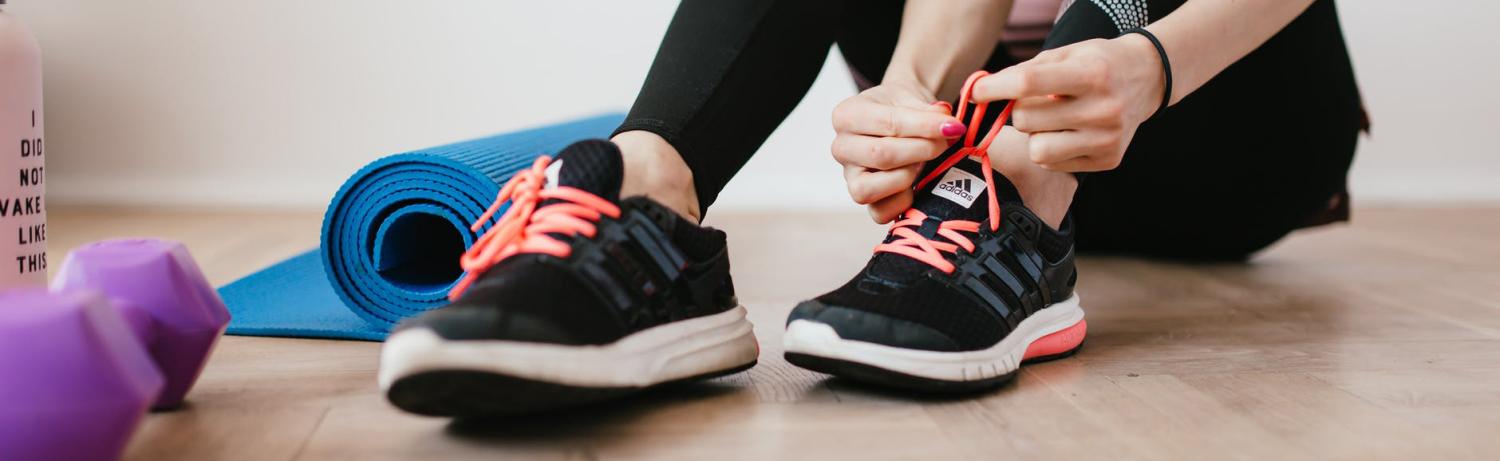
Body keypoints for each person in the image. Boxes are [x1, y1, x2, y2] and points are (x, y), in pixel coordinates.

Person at [376, 0, 1364, 415]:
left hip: (1221, 116)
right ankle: (647, 203)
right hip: (985, 115)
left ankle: (1015, 196)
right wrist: (909, 89)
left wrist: (1149, 63)